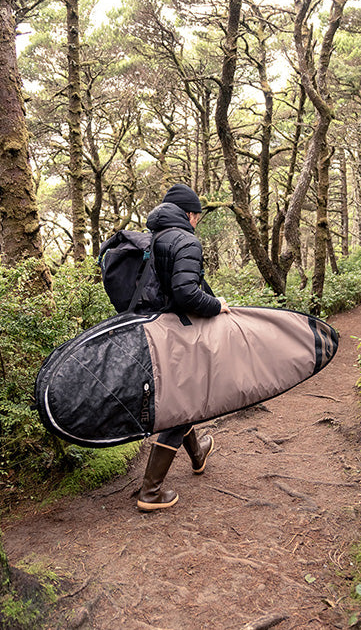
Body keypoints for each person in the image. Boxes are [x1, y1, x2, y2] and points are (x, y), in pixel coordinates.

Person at [136, 183, 231, 512]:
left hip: (153, 329)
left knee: (182, 397)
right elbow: (186, 293)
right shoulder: (186, 240)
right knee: (182, 403)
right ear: (190, 214)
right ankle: (150, 491)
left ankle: (198, 453)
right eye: (197, 217)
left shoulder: (153, 238)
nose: (197, 222)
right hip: (177, 332)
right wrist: (216, 305)